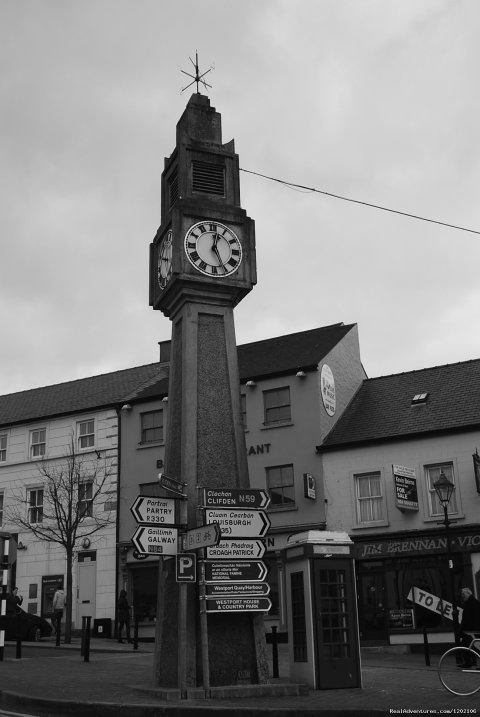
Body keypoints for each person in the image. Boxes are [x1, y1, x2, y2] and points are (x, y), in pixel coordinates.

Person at [459, 587, 480, 667]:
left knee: (470, 646)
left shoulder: (473, 603)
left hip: (471, 630)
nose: (462, 596)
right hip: (469, 630)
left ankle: (470, 662)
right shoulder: (471, 602)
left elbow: (474, 618)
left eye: (463, 594)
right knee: (469, 646)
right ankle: (471, 662)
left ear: (468, 593)